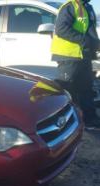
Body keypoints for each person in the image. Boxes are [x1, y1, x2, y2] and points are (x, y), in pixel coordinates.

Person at [51, 0, 100, 128]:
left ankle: (90, 119)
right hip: (68, 56)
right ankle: (62, 123)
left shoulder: (86, 7)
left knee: (86, 89)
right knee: (66, 90)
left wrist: (95, 46)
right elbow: (61, 29)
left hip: (83, 55)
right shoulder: (69, 7)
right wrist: (84, 41)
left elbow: (89, 30)